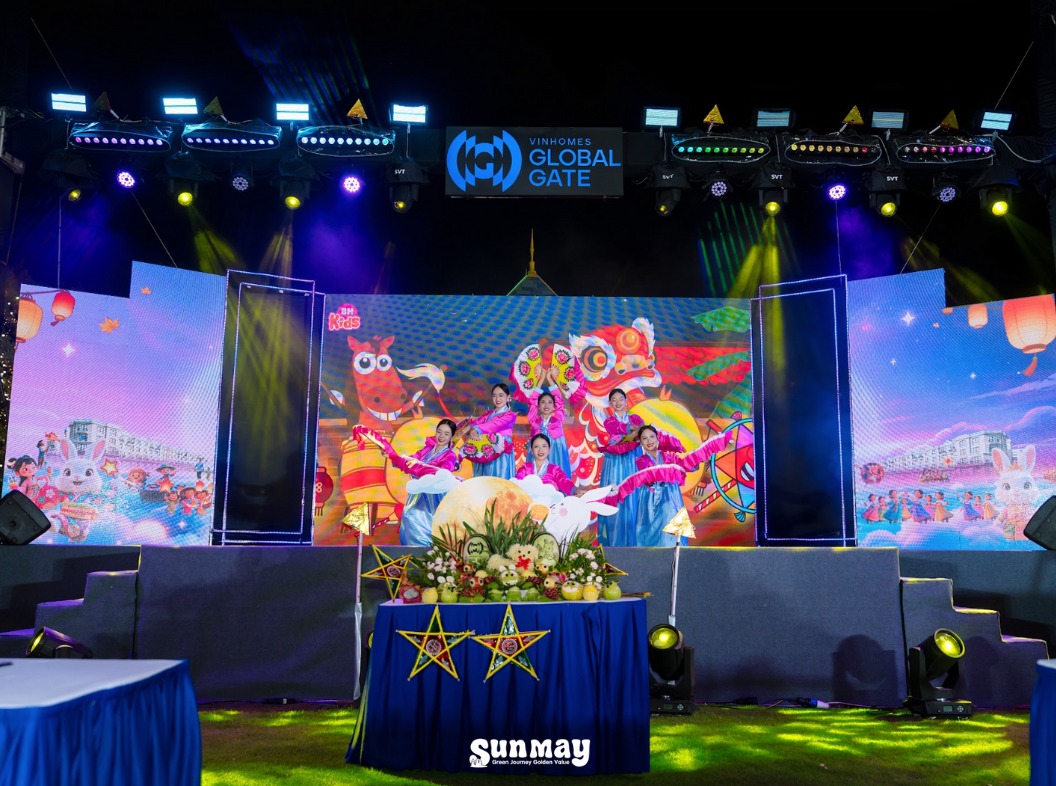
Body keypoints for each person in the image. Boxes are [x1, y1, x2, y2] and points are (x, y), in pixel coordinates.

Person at [355, 419, 461, 547]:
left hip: (434, 497)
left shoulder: (450, 456)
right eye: (439, 432)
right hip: (417, 495)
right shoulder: (427, 449)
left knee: (424, 525)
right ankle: (413, 554)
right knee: (408, 519)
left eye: (446, 434)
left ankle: (429, 554)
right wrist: (392, 457)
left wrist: (419, 468)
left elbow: (443, 473)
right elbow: (410, 461)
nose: (441, 436)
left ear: (451, 436)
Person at [630, 425, 733, 547]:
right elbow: (649, 477)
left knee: (672, 530)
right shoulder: (641, 461)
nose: (649, 441)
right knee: (652, 533)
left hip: (671, 498)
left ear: (657, 438)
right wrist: (666, 475)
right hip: (651, 500)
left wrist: (701, 456)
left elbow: (685, 465)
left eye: (652, 437)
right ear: (641, 442)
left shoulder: (669, 457)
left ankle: (676, 554)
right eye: (645, 438)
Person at [595, 388, 645, 546]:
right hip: (615, 462)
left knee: (632, 496)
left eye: (620, 399)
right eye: (614, 400)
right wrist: (630, 429)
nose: (617, 403)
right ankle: (614, 541)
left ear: (626, 401)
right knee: (615, 495)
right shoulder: (609, 421)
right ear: (610, 403)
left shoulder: (636, 418)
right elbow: (618, 428)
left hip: (632, 459)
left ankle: (633, 541)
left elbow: (642, 431)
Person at [522, 364, 585, 480]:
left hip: (556, 452)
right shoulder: (534, 421)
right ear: (538, 406)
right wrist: (541, 379)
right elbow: (532, 402)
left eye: (550, 402)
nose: (546, 405)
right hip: (537, 455)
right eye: (543, 402)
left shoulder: (558, 419)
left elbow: (559, 401)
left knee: (556, 477)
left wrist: (550, 379)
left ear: (554, 406)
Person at [456, 383, 516, 479]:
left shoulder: (510, 415)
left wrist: (476, 429)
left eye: (501, 395)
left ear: (508, 397)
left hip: (500, 450)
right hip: (484, 447)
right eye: (494, 396)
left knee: (498, 477)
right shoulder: (489, 413)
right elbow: (477, 422)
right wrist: (468, 428)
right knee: (483, 477)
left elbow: (494, 425)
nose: (497, 399)